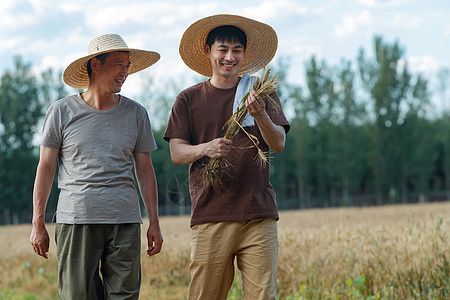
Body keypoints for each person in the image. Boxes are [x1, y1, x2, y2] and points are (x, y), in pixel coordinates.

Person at [163, 14, 290, 299]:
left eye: (237, 50)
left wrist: (261, 117)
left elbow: (278, 143)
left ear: (245, 54)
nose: (230, 57)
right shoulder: (188, 99)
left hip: (258, 214)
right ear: (208, 51)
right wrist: (205, 149)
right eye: (223, 49)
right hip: (211, 215)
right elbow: (177, 153)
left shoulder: (260, 92)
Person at [29, 33, 163, 299]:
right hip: (77, 219)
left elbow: (145, 171)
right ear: (95, 64)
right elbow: (45, 168)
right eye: (118, 64)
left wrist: (154, 222)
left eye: (127, 65)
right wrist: (37, 223)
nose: (125, 72)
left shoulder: (137, 113)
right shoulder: (61, 112)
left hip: (124, 220)